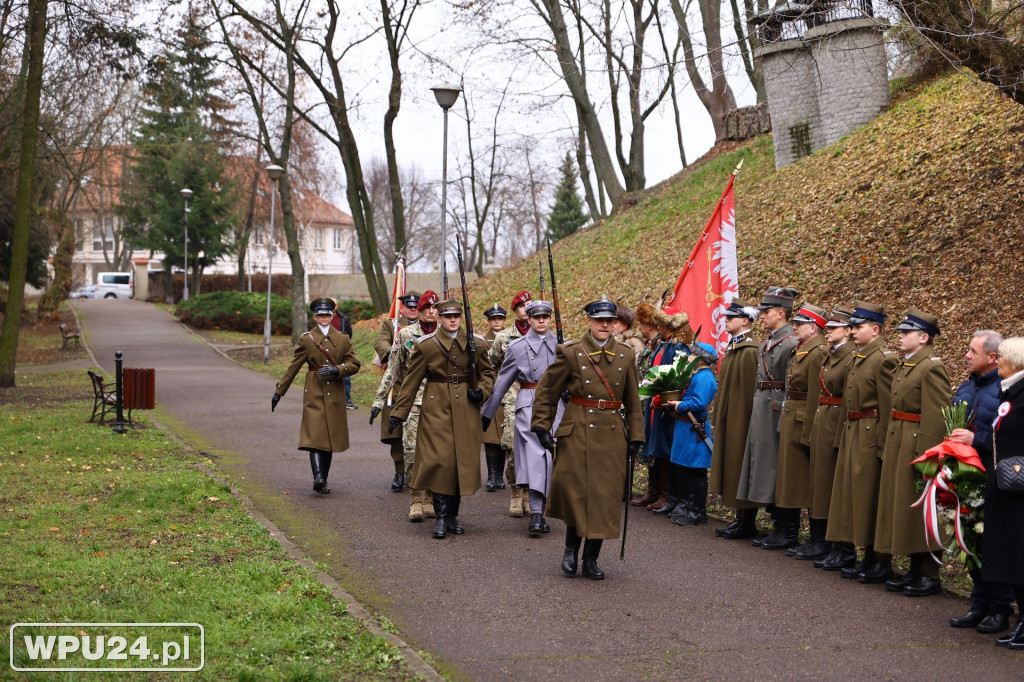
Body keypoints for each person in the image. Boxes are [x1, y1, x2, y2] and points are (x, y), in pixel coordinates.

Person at [531, 296, 645, 580]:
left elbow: (633, 399)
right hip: (577, 430)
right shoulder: (570, 352)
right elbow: (547, 391)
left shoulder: (626, 355)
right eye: (600, 320)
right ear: (589, 322)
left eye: (610, 321)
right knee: (577, 494)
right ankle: (570, 551)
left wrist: (636, 436)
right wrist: (542, 427)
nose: (605, 325)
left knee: (604, 497)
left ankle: (591, 558)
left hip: (611, 434)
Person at [389, 297, 495, 539]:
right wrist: (399, 413)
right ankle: (440, 517)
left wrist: (483, 391)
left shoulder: (476, 344)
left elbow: (488, 373)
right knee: (440, 463)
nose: (453, 320)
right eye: (448, 316)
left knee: (459, 464)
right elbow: (411, 382)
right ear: (439, 317)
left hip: (466, 409)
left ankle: (453, 517)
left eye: (456, 315)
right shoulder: (426, 345)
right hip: (435, 410)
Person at [873, 308, 951, 597]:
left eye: (906, 333)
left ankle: (929, 573)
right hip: (899, 439)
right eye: (901, 332)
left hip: (917, 444)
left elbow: (937, 413)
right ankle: (914, 570)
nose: (900, 337)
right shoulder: (907, 364)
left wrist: (928, 455)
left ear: (923, 337)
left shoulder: (931, 366)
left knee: (922, 508)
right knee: (904, 507)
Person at [824, 301, 897, 578]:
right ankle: (864, 555)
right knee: (853, 496)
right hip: (854, 429)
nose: (853, 331)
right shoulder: (860, 355)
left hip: (870, 431)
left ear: (875, 330)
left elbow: (888, 404)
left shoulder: (884, 358)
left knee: (870, 496)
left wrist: (881, 443)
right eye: (852, 327)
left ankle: (879, 558)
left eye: (858, 327)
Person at [948, 331, 1014, 633]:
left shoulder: (1005, 390)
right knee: (969, 540)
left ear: (992, 357)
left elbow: (1009, 435)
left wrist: (978, 439)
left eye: (972, 351)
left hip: (992, 475)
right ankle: (979, 603)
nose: (966, 355)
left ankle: (1000, 608)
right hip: (964, 475)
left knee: (993, 543)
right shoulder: (965, 387)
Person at [482, 299, 563, 536]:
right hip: (529, 403)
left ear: (550, 319)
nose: (541, 321)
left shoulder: (562, 346)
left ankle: (547, 509)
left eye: (545, 317)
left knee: (553, 458)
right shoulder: (517, 347)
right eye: (536, 317)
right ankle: (537, 514)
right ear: (528, 318)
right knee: (539, 457)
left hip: (557, 405)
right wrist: (487, 413)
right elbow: (502, 382)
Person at [272, 296, 361, 494]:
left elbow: (354, 364)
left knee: (329, 437)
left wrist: (337, 370)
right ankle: (318, 476)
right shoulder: (307, 339)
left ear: (332, 315)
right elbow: (294, 366)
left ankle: (324, 479)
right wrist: (280, 391)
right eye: (320, 315)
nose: (324, 318)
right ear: (314, 316)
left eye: (327, 314)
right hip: (314, 389)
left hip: (335, 391)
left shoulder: (343, 339)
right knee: (315, 433)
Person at [737, 286, 800, 544]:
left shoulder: (790, 342)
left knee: (776, 467)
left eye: (767, 311)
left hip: (775, 410)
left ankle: (784, 527)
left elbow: (790, 383)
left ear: (781, 313)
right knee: (762, 465)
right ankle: (771, 523)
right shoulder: (769, 341)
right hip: (762, 408)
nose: (761, 316)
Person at [371, 290, 440, 521]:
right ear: (419, 311)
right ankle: (415, 499)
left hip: (440, 402)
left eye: (435, 308)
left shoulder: (446, 333)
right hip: (412, 401)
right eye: (426, 308)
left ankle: (430, 497)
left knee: (435, 452)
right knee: (410, 450)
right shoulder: (405, 334)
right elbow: (392, 368)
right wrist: (379, 400)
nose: (432, 311)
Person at [799, 307, 856, 562]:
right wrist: (810, 427)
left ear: (847, 331)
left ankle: (832, 542)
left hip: (835, 422)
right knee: (817, 483)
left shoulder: (850, 356)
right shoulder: (828, 355)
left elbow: (848, 398)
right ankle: (818, 537)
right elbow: (815, 395)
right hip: (823, 419)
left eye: (834, 328)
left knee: (830, 484)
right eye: (828, 327)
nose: (828, 331)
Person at [769, 303, 827, 550]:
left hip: (802, 417)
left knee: (798, 480)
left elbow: (814, 394)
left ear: (813, 328)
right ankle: (785, 529)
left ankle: (794, 532)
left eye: (800, 324)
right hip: (792, 415)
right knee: (788, 478)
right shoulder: (804, 349)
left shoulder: (817, 352)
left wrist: (808, 430)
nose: (795, 326)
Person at [983, 336, 1024, 649]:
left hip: (1019, 486)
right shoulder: (1010, 389)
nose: (997, 366)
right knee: (1011, 554)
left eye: (1002, 360)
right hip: (1006, 485)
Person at [710, 299, 761, 539]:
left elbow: (751, 391)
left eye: (731, 318)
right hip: (731, 417)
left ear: (745, 320)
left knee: (742, 465)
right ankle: (740, 518)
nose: (726, 320)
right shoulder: (734, 347)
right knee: (733, 465)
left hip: (743, 419)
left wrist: (747, 421)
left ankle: (746, 520)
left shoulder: (750, 350)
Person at [664, 341, 718, 526]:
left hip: (694, 429)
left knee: (695, 471)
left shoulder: (704, 378)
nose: (689, 357)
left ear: (701, 360)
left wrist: (680, 405)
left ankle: (696, 511)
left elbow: (699, 403)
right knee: (685, 470)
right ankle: (685, 507)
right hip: (685, 428)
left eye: (693, 355)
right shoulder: (695, 375)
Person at [489, 290, 534, 517]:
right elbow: (490, 365)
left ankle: (530, 495)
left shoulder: (543, 333)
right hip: (513, 400)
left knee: (535, 449)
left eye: (529, 304)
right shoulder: (503, 337)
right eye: (521, 306)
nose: (525, 309)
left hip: (538, 399)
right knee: (514, 449)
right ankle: (516, 493)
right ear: (515, 310)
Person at [647, 307, 694, 516]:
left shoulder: (678, 347)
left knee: (666, 447)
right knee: (657, 446)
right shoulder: (663, 344)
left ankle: (668, 494)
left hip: (666, 405)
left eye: (661, 323)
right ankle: (657, 491)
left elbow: (677, 377)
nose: (658, 327)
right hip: (655, 402)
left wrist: (660, 399)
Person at [373, 291, 420, 492]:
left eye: (416, 306)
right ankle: (400, 472)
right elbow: (380, 342)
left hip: (422, 384)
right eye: (408, 306)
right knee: (398, 433)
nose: (412, 309)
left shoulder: (430, 326)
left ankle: (420, 473)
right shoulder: (392, 325)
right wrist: (393, 351)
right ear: (402, 308)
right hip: (398, 384)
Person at [629, 302, 666, 507]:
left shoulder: (660, 346)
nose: (639, 327)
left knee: (657, 446)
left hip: (654, 401)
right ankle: (653, 490)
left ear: (648, 324)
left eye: (641, 323)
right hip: (644, 400)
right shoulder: (651, 345)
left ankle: (662, 492)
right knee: (648, 447)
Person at [481, 303, 509, 491]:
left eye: (500, 318)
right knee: (491, 435)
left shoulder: (512, 338)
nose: (497, 321)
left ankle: (500, 475)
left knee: (505, 435)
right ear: (488, 321)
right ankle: (491, 475)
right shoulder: (482, 341)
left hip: (509, 390)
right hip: (491, 390)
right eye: (493, 319)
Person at [330, 304, 357, 409]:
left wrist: (344, 343)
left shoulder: (343, 318)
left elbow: (349, 332)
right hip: (328, 350)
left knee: (346, 375)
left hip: (342, 350)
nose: (334, 306)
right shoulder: (324, 318)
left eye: (335, 304)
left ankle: (346, 400)